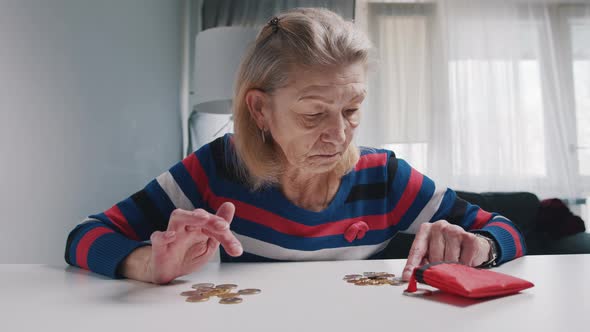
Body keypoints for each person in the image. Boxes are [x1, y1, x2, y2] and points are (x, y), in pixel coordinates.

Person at [64, 8, 526, 285]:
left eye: (352, 109)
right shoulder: (217, 167)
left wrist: (480, 247)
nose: (341, 135)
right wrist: (148, 264)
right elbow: (84, 236)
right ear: (260, 111)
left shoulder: (383, 175)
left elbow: (508, 230)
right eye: (312, 114)